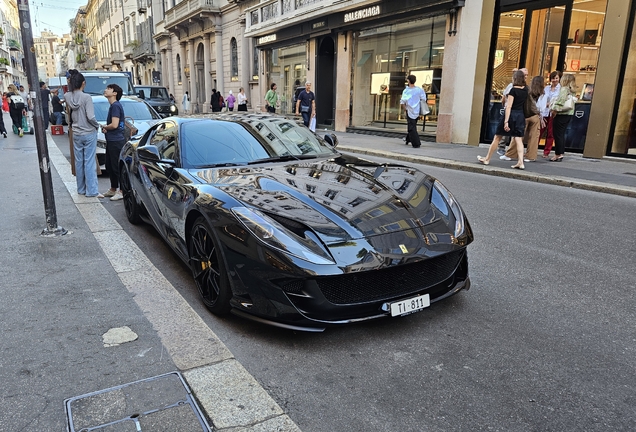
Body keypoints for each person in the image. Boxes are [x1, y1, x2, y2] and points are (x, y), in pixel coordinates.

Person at [478, 69, 527, 170]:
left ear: (515, 78)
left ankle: (487, 158)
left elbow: (509, 106)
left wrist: (506, 121)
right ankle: (521, 162)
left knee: (497, 137)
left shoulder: (513, 90)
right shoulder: (525, 90)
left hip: (511, 115)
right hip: (520, 116)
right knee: (518, 139)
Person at [65, 70, 102, 198]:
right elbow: (90, 116)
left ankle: (81, 189)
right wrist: (97, 125)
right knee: (89, 162)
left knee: (79, 161)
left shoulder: (67, 96)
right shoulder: (87, 97)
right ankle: (91, 191)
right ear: (83, 83)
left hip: (76, 133)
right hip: (88, 132)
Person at [501, 76, 544, 162]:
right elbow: (541, 107)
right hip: (535, 116)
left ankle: (511, 154)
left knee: (518, 135)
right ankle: (531, 156)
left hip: (524, 115)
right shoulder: (543, 93)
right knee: (534, 137)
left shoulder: (525, 91)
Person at [101, 84, 125, 201]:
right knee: (110, 166)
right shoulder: (113, 106)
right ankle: (113, 188)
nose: (105, 90)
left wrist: (106, 127)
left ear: (115, 93)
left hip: (116, 141)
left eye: (109, 89)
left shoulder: (115, 106)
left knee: (116, 167)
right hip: (112, 140)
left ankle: (121, 190)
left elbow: (114, 125)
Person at [549, 74, 577, 162]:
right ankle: (560, 153)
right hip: (568, 114)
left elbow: (561, 101)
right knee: (561, 134)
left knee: (557, 134)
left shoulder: (564, 89)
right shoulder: (572, 90)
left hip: (561, 114)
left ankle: (558, 154)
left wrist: (554, 110)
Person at [399, 74, 427, 148]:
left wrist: (405, 109)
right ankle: (408, 139)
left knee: (411, 127)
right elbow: (423, 99)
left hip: (409, 110)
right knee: (413, 125)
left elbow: (402, 101)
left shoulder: (406, 91)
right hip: (417, 110)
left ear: (408, 81)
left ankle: (416, 143)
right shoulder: (419, 90)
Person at [540, 71, 561, 158]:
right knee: (540, 130)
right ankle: (533, 149)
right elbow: (542, 98)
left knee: (550, 133)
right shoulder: (546, 88)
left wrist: (550, 104)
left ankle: (546, 152)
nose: (555, 80)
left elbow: (558, 100)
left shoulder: (560, 89)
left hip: (553, 112)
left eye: (556, 78)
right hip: (545, 111)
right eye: (553, 78)